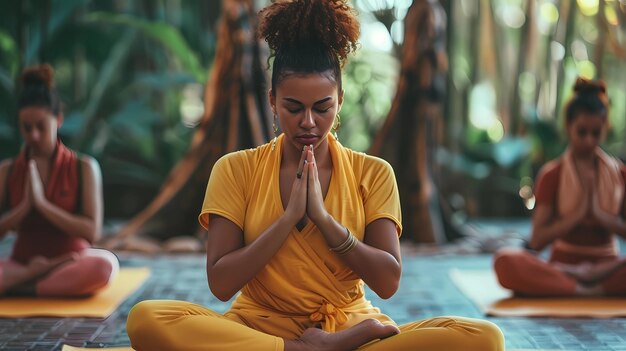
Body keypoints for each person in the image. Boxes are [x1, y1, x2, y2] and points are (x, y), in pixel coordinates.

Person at [127, 1, 504, 350]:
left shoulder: (372, 173)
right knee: (148, 318)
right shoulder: (235, 169)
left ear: (340, 99)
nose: (308, 122)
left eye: (322, 107)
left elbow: (388, 283)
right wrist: (288, 218)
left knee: (483, 337)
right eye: (293, 107)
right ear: (272, 101)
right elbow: (221, 284)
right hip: (259, 330)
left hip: (350, 324)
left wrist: (325, 222)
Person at [494, 78, 626, 296]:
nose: (589, 141)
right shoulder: (552, 174)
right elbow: (536, 241)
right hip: (562, 269)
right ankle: (583, 289)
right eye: (582, 132)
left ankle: (588, 288)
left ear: (605, 129)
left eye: (596, 133)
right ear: (568, 126)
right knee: (505, 261)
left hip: (609, 268)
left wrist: (601, 217)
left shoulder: (619, 174)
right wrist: (577, 215)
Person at [0, 64, 119, 297]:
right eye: (27, 128)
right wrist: (25, 207)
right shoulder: (8, 170)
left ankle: (23, 286)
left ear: (59, 120)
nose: (33, 135)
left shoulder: (84, 167)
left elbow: (92, 232)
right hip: (21, 263)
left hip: (70, 262)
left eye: (41, 127)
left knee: (105, 266)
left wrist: (43, 205)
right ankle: (31, 278)